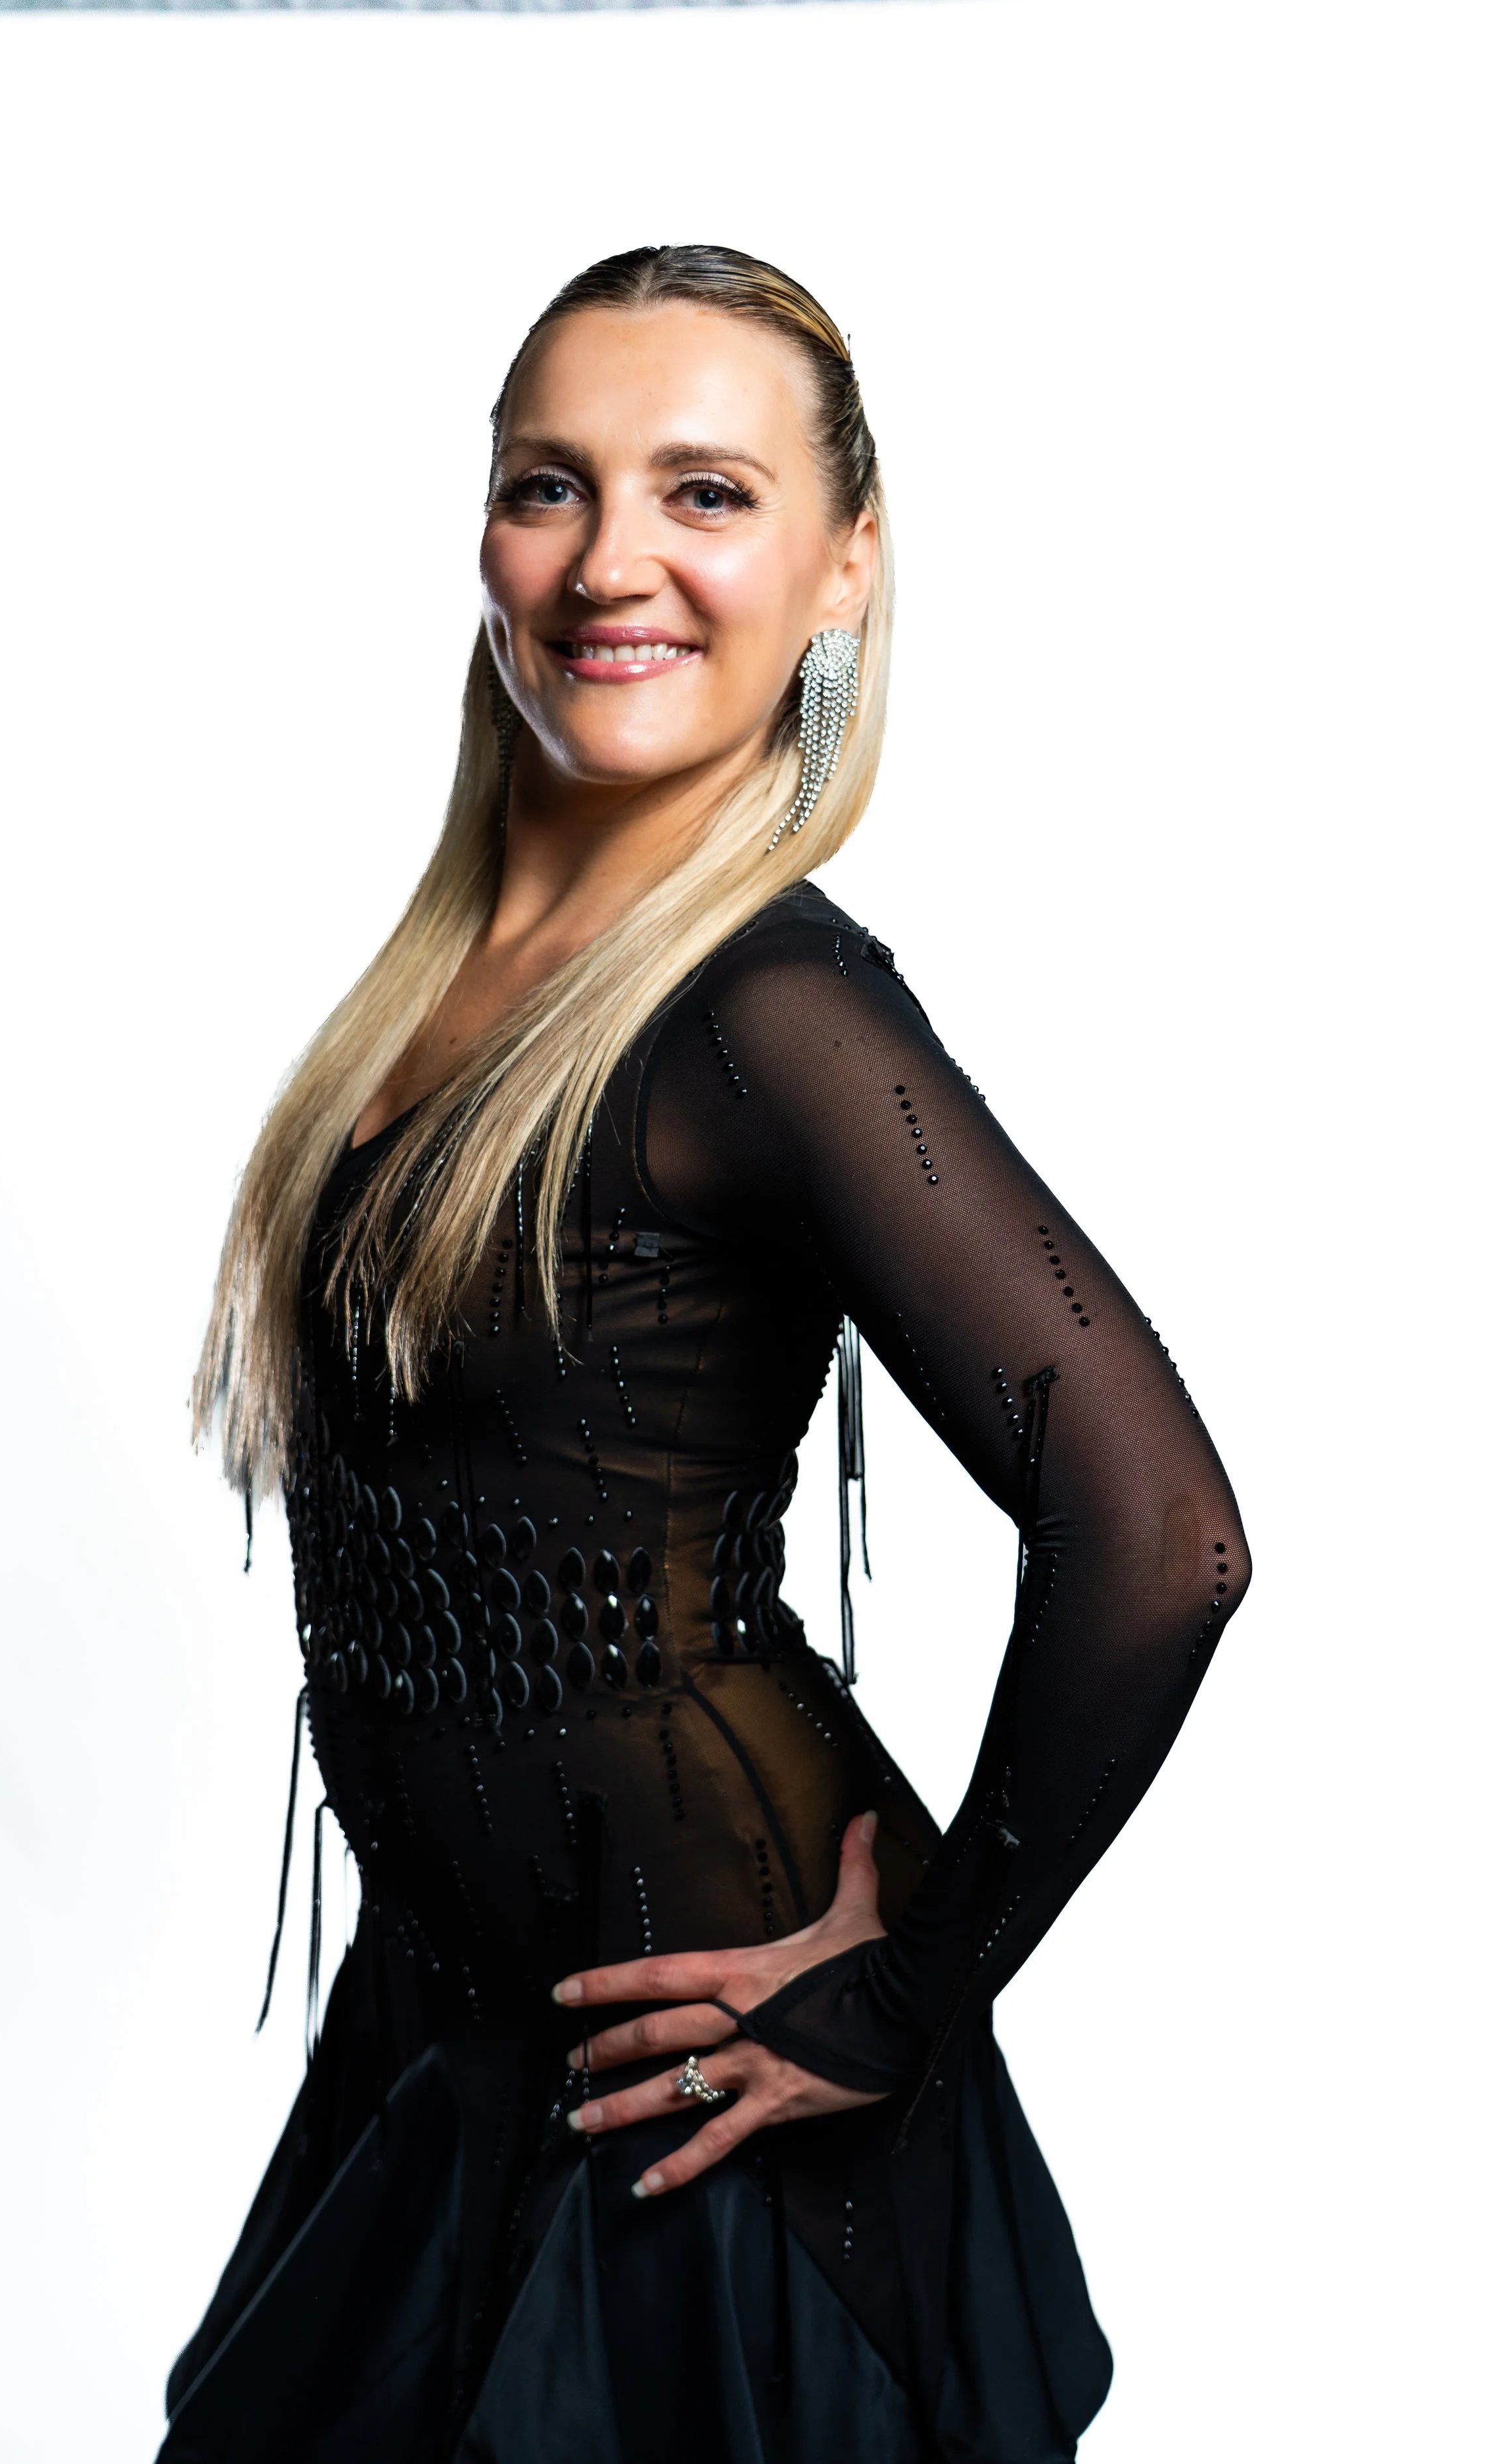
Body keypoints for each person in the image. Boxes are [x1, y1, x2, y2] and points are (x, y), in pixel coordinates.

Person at [161, 245, 1251, 2464]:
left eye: (706, 492)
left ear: (842, 565)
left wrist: (917, 1980)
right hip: (458, 2042)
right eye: (548, 486)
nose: (610, 560)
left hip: (696, 2103)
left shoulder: (771, 1008)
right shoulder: (460, 973)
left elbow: (1155, 1519)